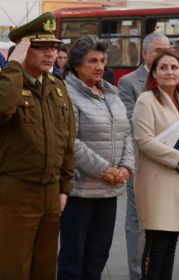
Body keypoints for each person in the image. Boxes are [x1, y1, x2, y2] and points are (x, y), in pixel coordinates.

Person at [0, 12, 76, 279]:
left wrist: (64, 188)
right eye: (40, 47)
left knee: (45, 268)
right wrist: (12, 68)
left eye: (53, 47)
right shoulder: (7, 84)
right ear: (21, 49)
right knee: (14, 268)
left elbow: (67, 140)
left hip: (51, 190)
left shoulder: (57, 86)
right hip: (17, 190)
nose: (50, 53)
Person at [57, 35, 135, 280]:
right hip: (80, 190)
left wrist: (126, 166)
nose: (99, 66)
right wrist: (105, 169)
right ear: (77, 64)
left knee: (98, 256)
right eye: (92, 61)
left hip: (109, 190)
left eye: (102, 60)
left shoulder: (110, 92)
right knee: (73, 258)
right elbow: (70, 142)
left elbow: (127, 131)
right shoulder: (66, 94)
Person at [132, 49, 179, 280]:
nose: (169, 72)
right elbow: (143, 140)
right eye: (163, 67)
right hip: (157, 182)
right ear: (154, 72)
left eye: (174, 67)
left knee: (171, 243)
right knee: (157, 245)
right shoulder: (146, 100)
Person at [118, 32, 170, 280]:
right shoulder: (129, 82)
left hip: (170, 162)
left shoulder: (173, 80)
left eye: (168, 49)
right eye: (159, 50)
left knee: (164, 219)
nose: (164, 55)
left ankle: (158, 271)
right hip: (141, 162)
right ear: (145, 53)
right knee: (138, 220)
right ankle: (138, 273)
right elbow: (129, 124)